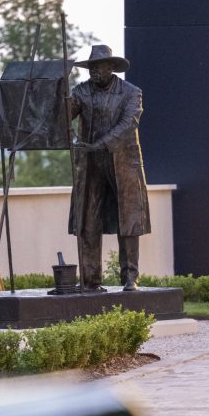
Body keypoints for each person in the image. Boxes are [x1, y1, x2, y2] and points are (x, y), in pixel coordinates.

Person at [69, 44, 151, 291]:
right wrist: (58, 99)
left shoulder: (130, 93)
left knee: (129, 220)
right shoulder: (81, 91)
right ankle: (90, 279)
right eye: (91, 67)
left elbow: (129, 123)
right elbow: (64, 116)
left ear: (111, 68)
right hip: (91, 165)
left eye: (99, 67)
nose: (94, 71)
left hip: (123, 163)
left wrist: (101, 144)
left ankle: (130, 277)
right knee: (88, 219)